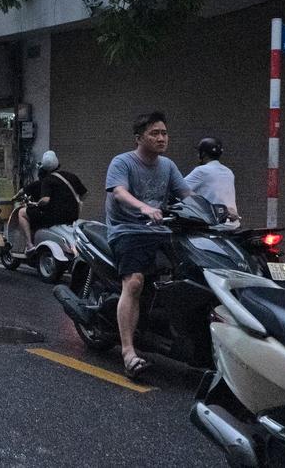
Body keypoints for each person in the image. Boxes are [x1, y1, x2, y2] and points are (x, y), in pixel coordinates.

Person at [105, 111, 192, 378]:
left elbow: (188, 195)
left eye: (164, 133)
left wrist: (218, 211)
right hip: (127, 230)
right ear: (138, 138)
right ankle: (129, 352)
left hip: (160, 231)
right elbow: (119, 192)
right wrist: (144, 207)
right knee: (134, 282)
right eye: (154, 133)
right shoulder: (122, 162)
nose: (161, 138)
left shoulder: (168, 166)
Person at [15, 150, 87, 252]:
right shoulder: (71, 176)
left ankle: (30, 245)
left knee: (22, 213)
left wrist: (37, 204)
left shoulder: (47, 180)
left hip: (54, 217)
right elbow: (84, 194)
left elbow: (45, 200)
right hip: (73, 216)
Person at [184, 137, 239, 219]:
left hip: (213, 226)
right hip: (233, 224)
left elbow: (178, 188)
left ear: (203, 154)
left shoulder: (201, 171)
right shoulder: (229, 172)